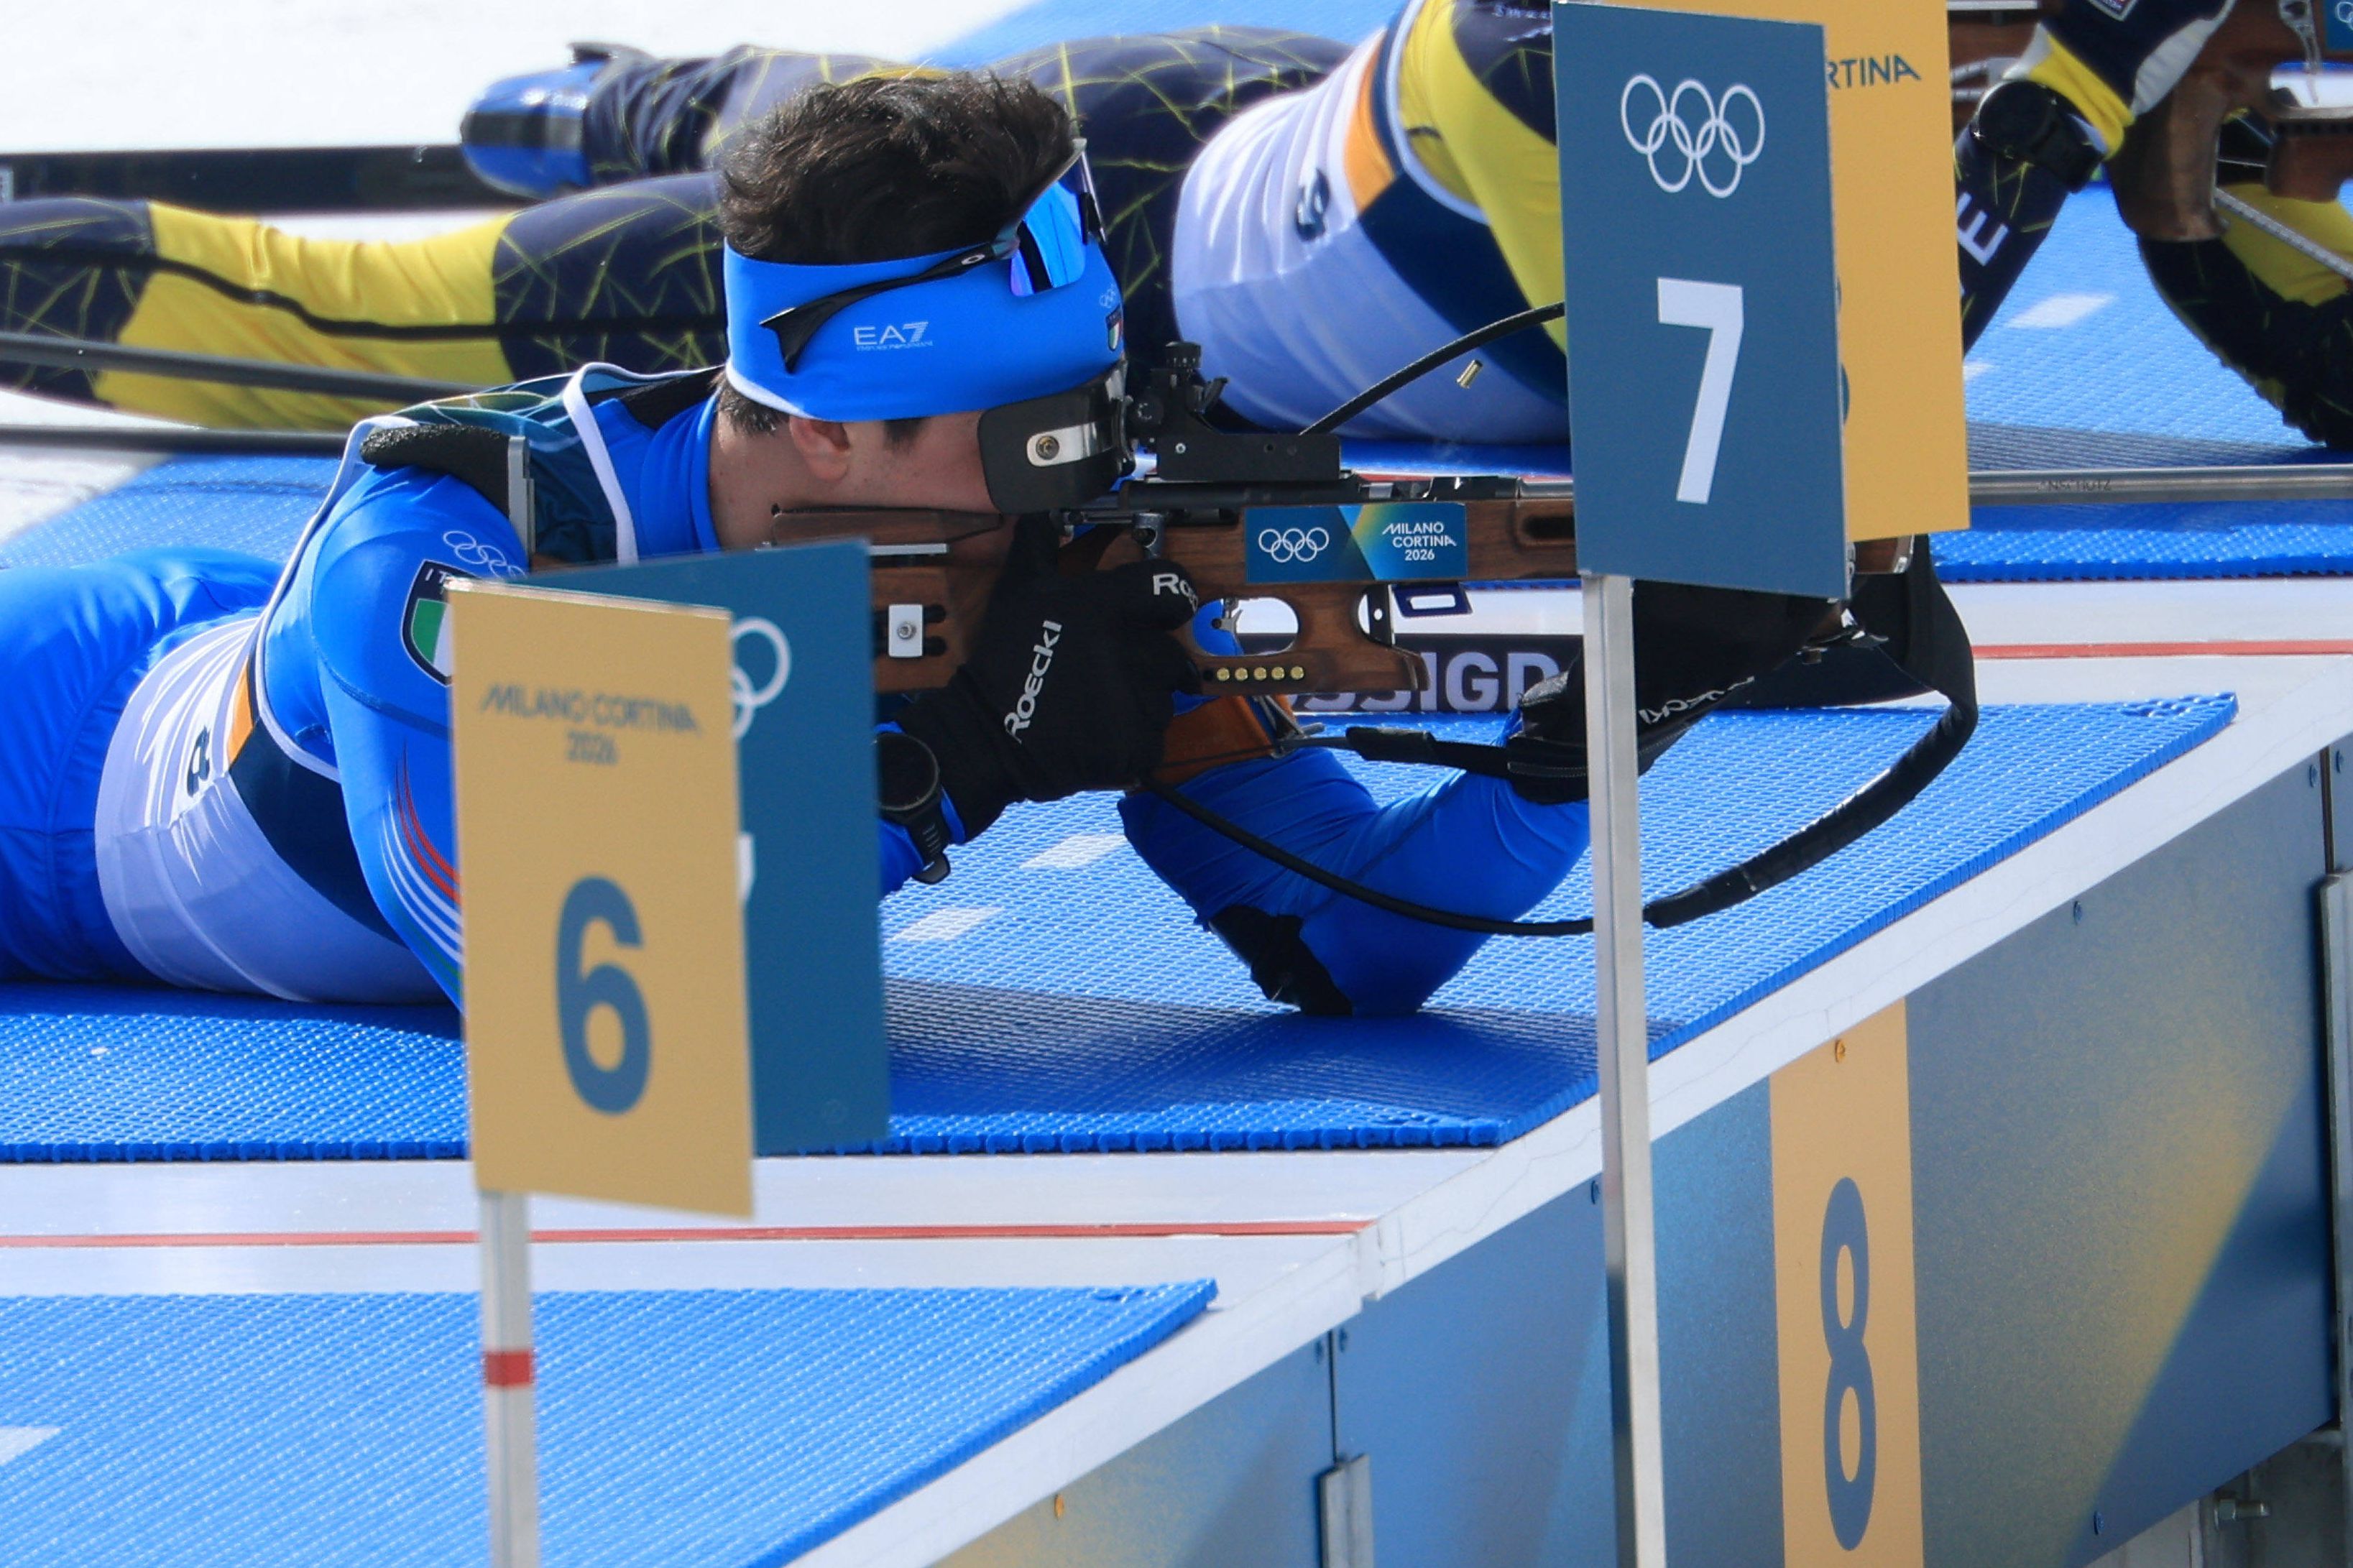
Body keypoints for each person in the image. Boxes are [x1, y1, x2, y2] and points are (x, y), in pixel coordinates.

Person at [0, 71, 1618, 1019]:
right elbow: (572, 982)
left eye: (1098, 416)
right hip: (48, 756)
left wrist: (1579, 747)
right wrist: (946, 765)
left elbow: (1349, 944)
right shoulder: (447, 543)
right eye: (1034, 435)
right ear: (832, 430)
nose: (1077, 479)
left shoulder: (1043, 561)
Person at [0, 1, 2343, 445]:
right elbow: (1813, 431)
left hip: (1218, 136)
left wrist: (2172, 171)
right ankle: (688, 113)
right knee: (337, 326)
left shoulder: (2086, 66)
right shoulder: (1601, 45)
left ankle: (679, 96)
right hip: (1072, 229)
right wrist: (2080, 92)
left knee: (796, 131)